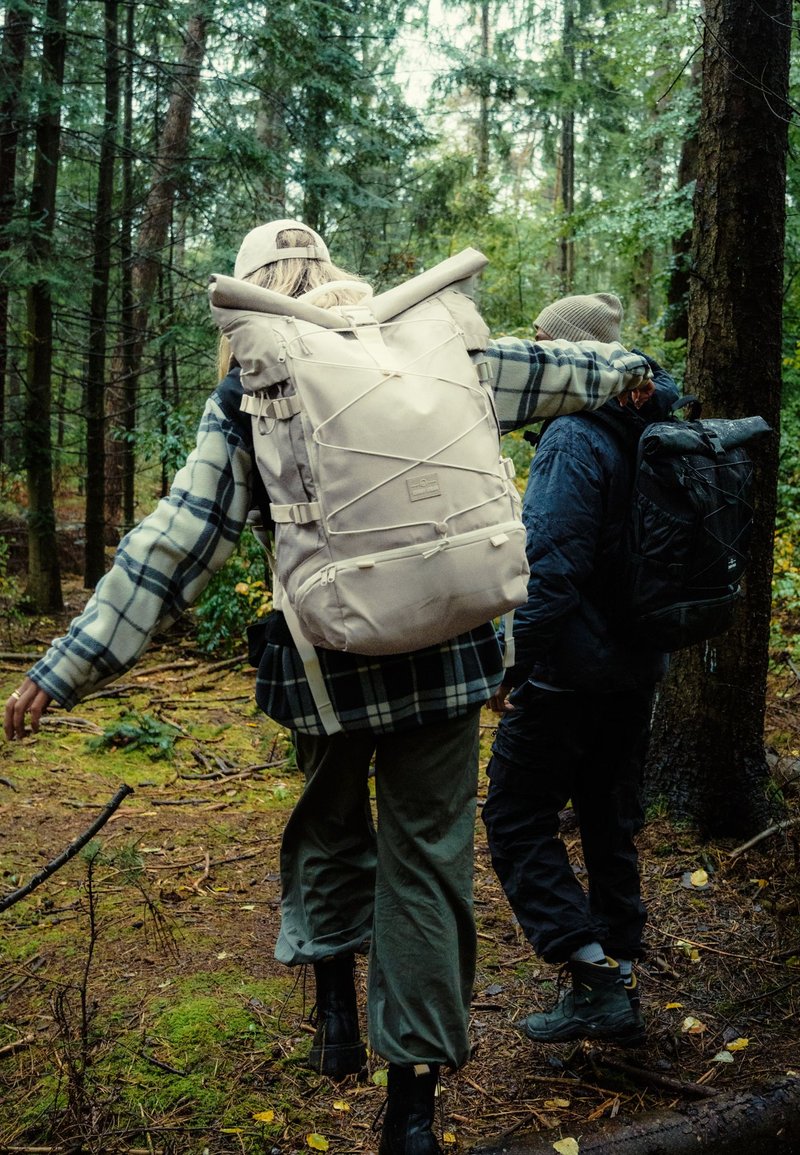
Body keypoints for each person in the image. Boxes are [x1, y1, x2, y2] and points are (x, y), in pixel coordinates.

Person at [3, 227, 653, 1155]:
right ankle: (412, 1113)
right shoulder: (439, 354)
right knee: (427, 864)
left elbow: (173, 548)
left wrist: (62, 667)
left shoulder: (251, 388)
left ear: (254, 297)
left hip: (324, 667)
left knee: (330, 824)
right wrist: (630, 367)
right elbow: (578, 370)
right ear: (337, 276)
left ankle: (336, 1014)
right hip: (452, 661)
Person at [482, 291, 678, 1048]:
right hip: (637, 665)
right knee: (609, 816)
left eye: (542, 340)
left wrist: (511, 662)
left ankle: (595, 978)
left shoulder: (572, 436)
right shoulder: (653, 423)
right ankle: (620, 970)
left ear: (575, 354)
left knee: (515, 816)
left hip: (570, 672)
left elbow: (549, 571)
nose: (533, 351)